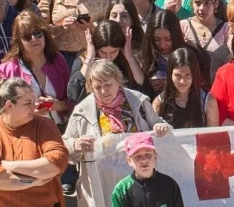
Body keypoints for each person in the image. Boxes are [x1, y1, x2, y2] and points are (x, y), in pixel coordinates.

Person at [63, 60, 170, 203]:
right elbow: (64, 145)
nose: (103, 91)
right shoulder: (82, 112)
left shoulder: (138, 102)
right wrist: (75, 145)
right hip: (103, 188)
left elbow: (160, 127)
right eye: (97, 87)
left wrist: (160, 127)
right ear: (90, 87)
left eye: (108, 85)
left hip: (140, 187)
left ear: (118, 81)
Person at [0, 77, 69, 206]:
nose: (34, 107)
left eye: (34, 101)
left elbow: (56, 163)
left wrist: (10, 166)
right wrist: (34, 182)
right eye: (28, 103)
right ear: (9, 105)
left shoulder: (45, 126)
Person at [0, 11, 71, 123]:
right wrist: (30, 112)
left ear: (45, 34)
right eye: (27, 36)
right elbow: (2, 111)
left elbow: (71, 101)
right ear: (19, 41)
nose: (34, 39)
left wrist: (57, 105)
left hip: (60, 128)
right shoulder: (7, 69)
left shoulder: (57, 60)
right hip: (26, 132)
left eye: (37, 33)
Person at [69, 18, 147, 102]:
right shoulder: (83, 61)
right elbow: (74, 95)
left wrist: (130, 57)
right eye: (103, 52)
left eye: (113, 51)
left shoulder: (127, 60)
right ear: (96, 48)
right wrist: (90, 57)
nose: (108, 57)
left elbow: (145, 90)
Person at [111, 132, 184, 206]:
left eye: (148, 155)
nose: (144, 161)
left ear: (155, 157)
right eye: (138, 156)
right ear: (129, 161)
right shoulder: (121, 190)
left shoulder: (169, 185)